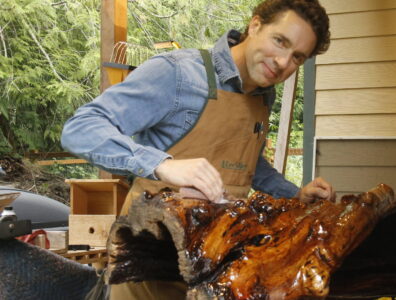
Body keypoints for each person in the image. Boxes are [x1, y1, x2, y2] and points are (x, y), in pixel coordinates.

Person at [61, 0, 333, 298]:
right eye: (280, 41)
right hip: (149, 269)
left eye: (296, 57)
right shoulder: (177, 74)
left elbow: (246, 162)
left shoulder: (262, 95)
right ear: (255, 25)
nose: (282, 62)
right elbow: (81, 128)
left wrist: (293, 194)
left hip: (214, 268)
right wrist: (163, 164)